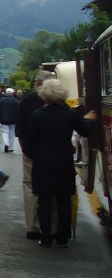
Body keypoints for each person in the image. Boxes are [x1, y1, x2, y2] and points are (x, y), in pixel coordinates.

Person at [21, 79, 96, 248]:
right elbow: (85, 131)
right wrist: (88, 119)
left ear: (44, 95)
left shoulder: (36, 116)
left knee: (44, 200)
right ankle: (63, 236)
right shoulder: (69, 114)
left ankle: (46, 236)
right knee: (64, 199)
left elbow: (29, 143)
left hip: (42, 162)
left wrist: (37, 155)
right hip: (63, 160)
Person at [16, 71, 50, 239]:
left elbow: (20, 129)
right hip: (54, 153)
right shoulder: (60, 104)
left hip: (31, 151)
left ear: (37, 83)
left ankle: (32, 226)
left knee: (30, 186)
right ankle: (53, 226)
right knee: (53, 188)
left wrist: (25, 149)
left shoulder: (27, 102)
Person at [0, 87, 20, 153]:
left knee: (5, 132)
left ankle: (6, 143)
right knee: (12, 133)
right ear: (13, 93)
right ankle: (10, 147)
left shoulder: (1, 100)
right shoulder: (16, 101)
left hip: (3, 119)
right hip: (13, 120)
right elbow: (18, 111)